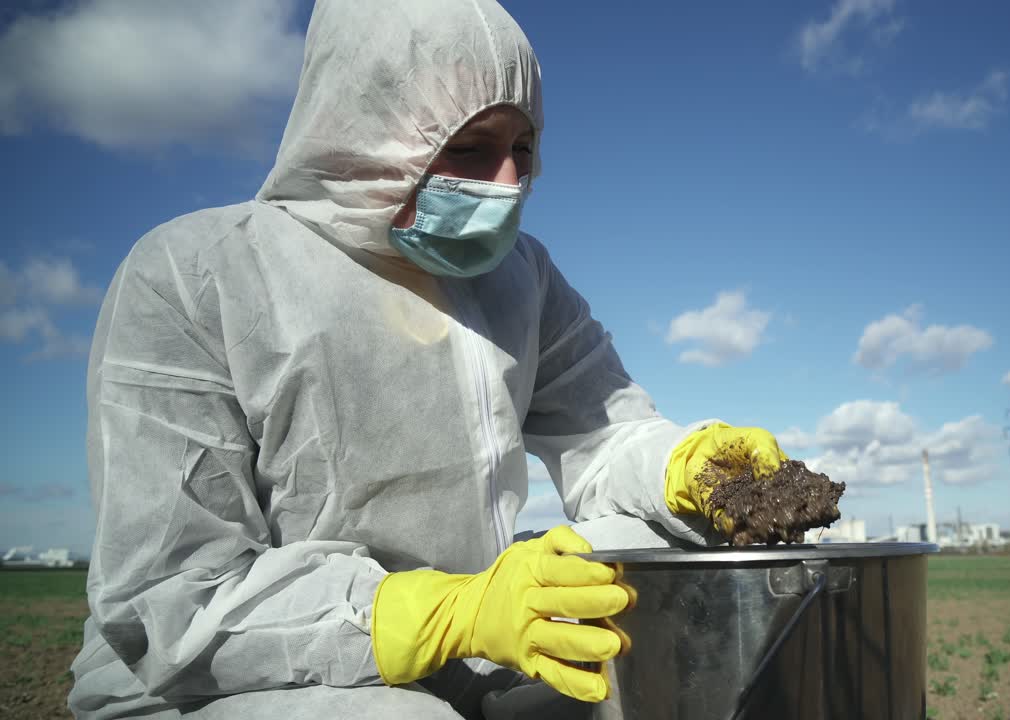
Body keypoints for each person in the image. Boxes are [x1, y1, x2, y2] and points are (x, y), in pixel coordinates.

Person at [67, 1, 790, 718]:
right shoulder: (197, 273)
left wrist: (687, 469)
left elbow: (604, 436)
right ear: (362, 132)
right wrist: (445, 614)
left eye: (525, 149)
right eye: (472, 148)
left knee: (663, 560)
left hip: (469, 648)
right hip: (222, 676)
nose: (507, 183)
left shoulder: (520, 277)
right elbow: (173, 596)